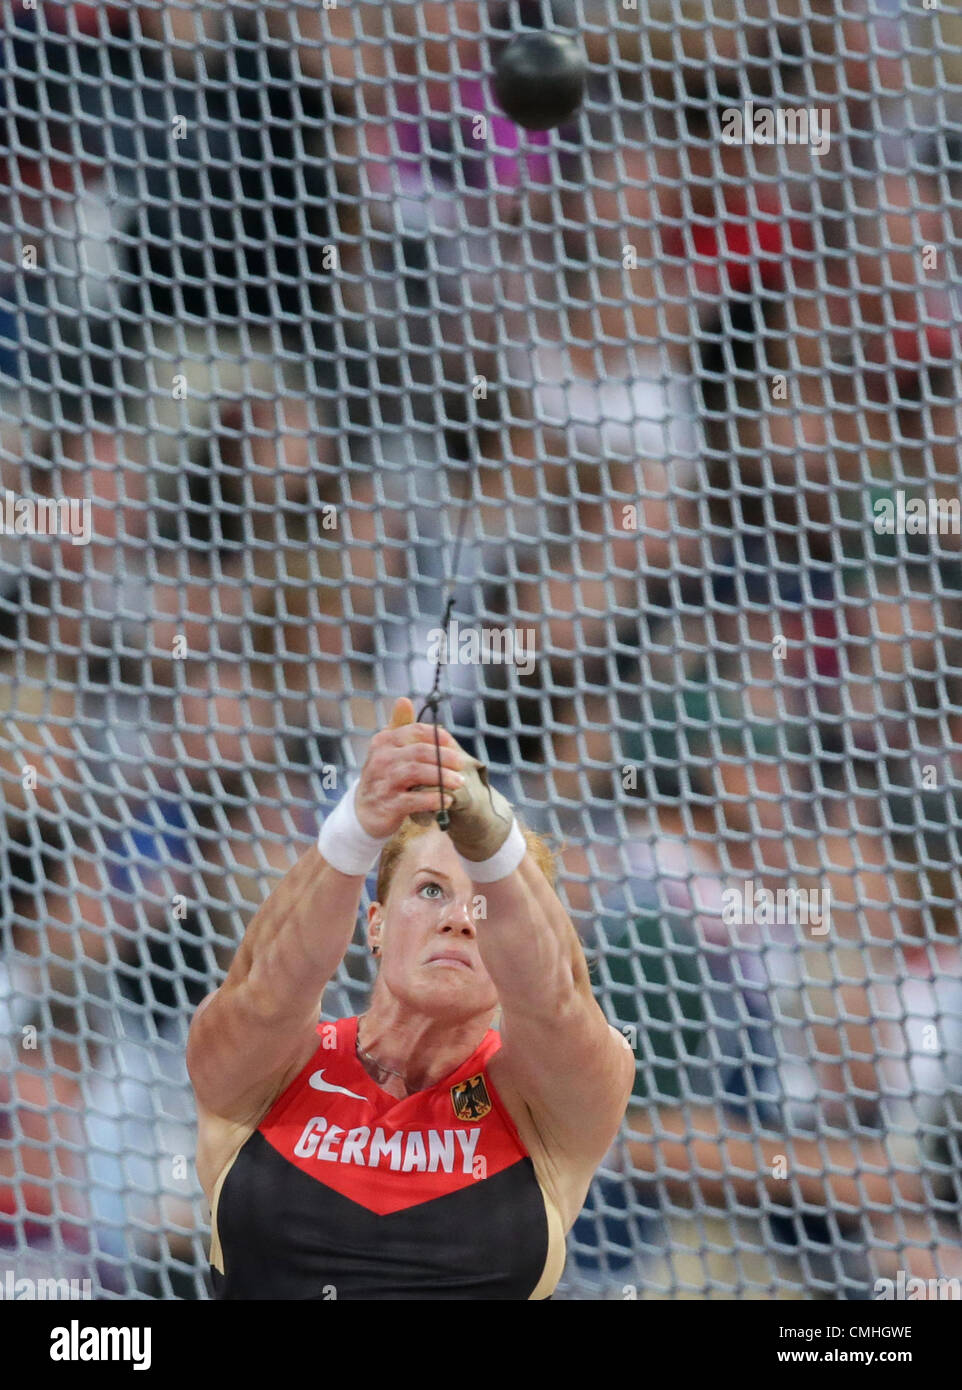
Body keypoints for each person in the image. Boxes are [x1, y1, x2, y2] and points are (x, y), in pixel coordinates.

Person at [187, 697, 633, 1299]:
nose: (459, 920)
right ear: (373, 924)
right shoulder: (277, 1066)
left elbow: (555, 1002)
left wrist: (492, 837)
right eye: (430, 890)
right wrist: (357, 825)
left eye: (484, 904)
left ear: (515, 943)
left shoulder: (544, 1103)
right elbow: (266, 989)